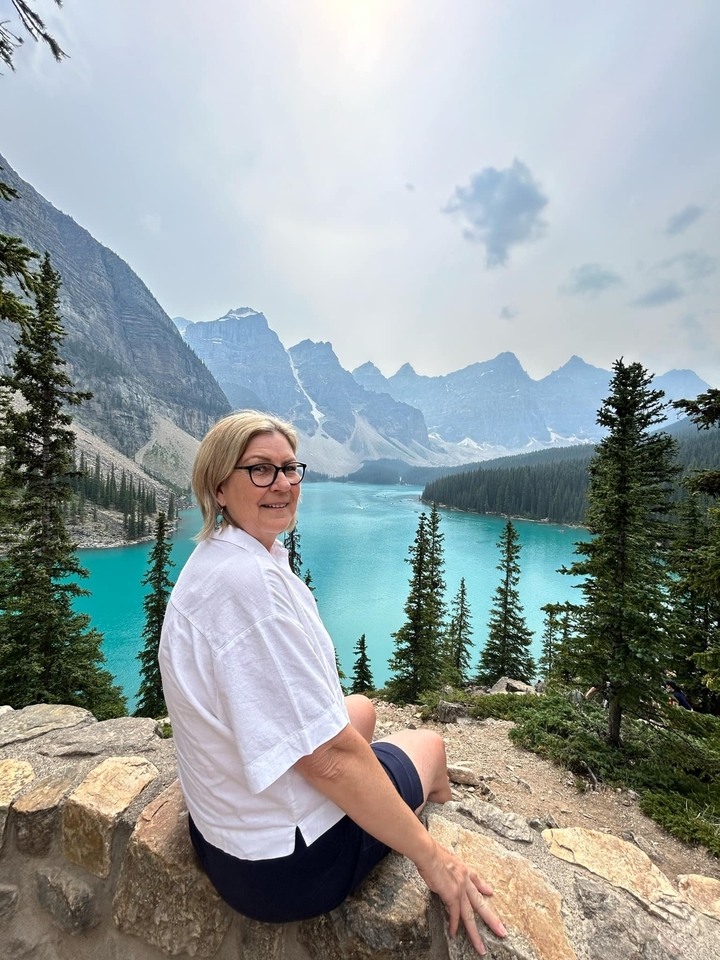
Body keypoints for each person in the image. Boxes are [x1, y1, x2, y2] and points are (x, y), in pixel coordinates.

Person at [159, 411, 506, 954]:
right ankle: (438, 813)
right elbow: (327, 761)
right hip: (285, 866)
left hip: (220, 835)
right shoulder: (250, 591)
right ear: (218, 487)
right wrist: (432, 858)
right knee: (430, 746)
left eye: (289, 468)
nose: (282, 483)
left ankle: (391, 801)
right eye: (259, 470)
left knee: (361, 708)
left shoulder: (219, 559)